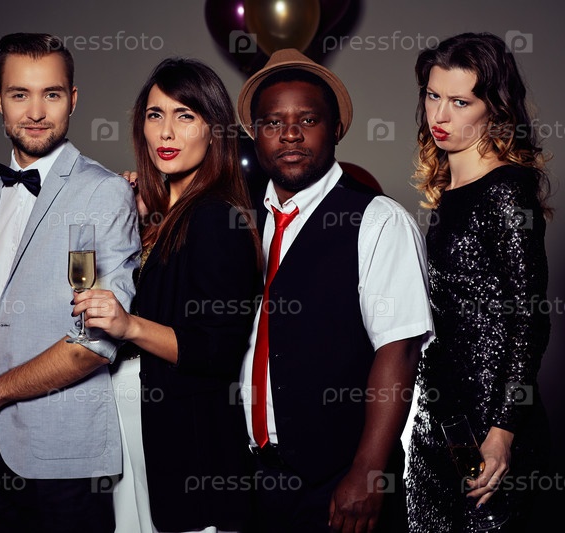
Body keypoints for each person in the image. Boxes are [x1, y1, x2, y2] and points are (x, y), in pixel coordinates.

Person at [235, 48, 435, 532]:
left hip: (340, 483)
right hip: (253, 478)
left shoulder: (378, 220)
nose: (290, 135)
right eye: (272, 122)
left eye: (308, 119)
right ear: (255, 134)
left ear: (337, 129)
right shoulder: (242, 221)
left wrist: (368, 471)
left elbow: (400, 350)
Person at [0, 33, 139, 533]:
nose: (36, 112)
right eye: (20, 94)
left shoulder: (105, 193)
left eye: (51, 94)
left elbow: (95, 342)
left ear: (72, 99)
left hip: (64, 458)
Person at [73, 57, 262, 532]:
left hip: (190, 445)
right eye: (155, 115)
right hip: (140, 430)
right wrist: (131, 219)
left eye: (185, 115)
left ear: (214, 130)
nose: (166, 132)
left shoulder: (217, 217)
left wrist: (128, 326)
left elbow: (217, 351)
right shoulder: (163, 216)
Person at [406, 32, 552, 532]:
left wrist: (504, 430)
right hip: (442, 417)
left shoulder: (507, 191)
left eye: (460, 102)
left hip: (491, 427)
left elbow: (530, 319)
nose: (440, 115)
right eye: (433, 95)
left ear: (495, 108)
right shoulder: (451, 192)